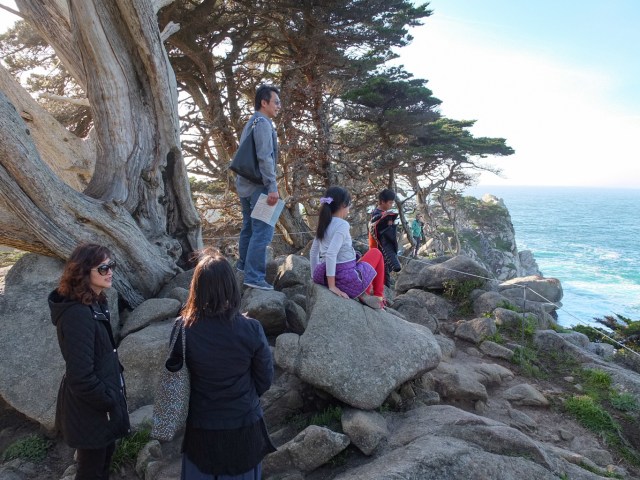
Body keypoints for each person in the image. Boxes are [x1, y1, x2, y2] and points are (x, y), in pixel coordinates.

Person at [169, 249, 275, 479]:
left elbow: (177, 374)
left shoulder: (182, 330)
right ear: (230, 286)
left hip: (201, 426)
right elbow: (265, 378)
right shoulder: (251, 329)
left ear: (197, 287)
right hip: (244, 424)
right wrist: (243, 395)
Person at [48, 243, 130, 480]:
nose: (110, 272)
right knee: (91, 471)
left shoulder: (94, 303)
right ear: (83, 272)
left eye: (111, 266)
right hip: (90, 409)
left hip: (98, 407)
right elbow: (81, 376)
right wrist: (108, 400)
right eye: (103, 268)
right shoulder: (77, 315)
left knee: (103, 462)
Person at [236, 84, 281, 291]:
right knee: (262, 232)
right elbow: (265, 157)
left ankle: (243, 270)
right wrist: (272, 186)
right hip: (260, 187)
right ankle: (254, 277)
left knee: (248, 229)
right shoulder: (263, 123)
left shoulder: (251, 122)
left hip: (244, 185)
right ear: (264, 102)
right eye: (276, 102)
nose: (279, 106)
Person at [310, 186, 386, 309]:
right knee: (376, 252)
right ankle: (377, 295)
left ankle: (369, 294)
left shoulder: (323, 223)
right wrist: (332, 286)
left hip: (326, 273)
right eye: (349, 205)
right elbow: (331, 254)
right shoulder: (342, 224)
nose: (349, 209)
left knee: (359, 258)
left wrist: (314, 277)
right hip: (345, 277)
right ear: (343, 204)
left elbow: (313, 252)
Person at [368, 189, 401, 283]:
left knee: (382, 275)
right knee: (383, 278)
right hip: (379, 250)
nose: (391, 205)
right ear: (382, 201)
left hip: (379, 250)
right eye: (390, 203)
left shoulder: (378, 214)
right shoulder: (378, 215)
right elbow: (383, 235)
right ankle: (383, 296)